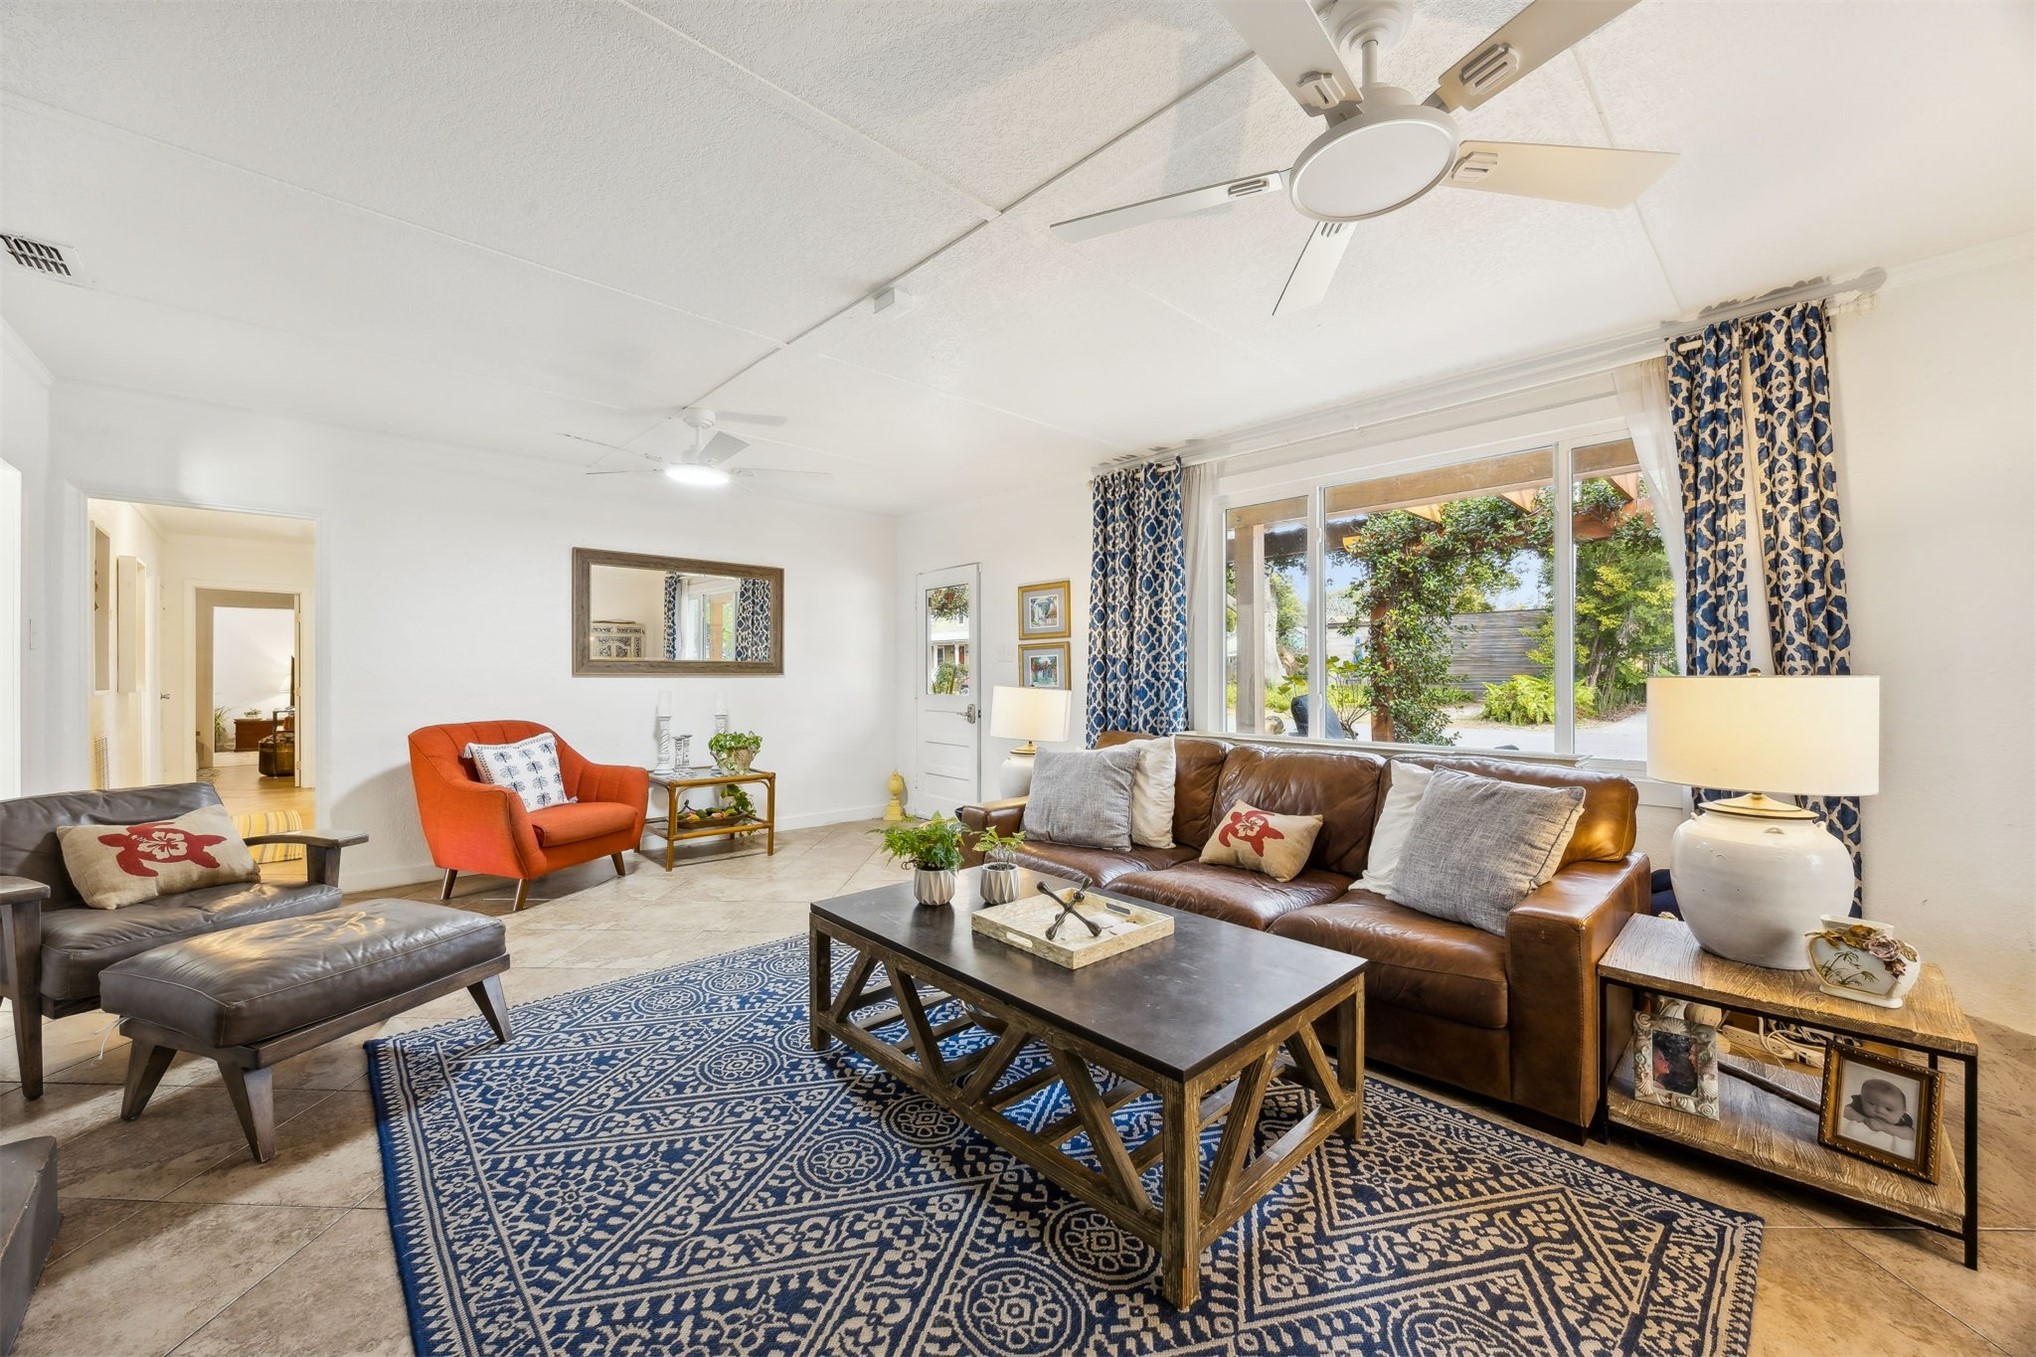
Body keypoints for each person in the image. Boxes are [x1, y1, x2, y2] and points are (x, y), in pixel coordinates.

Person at [1842, 1076, 1918, 1154]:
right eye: (1872, 1104)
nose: (1879, 1111)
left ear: (1902, 1112)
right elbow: (1846, 1110)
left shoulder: (1902, 1119)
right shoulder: (1860, 1104)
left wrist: (1883, 1127)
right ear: (1862, 1098)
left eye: (1889, 1109)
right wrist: (1864, 1119)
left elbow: (1910, 1134)